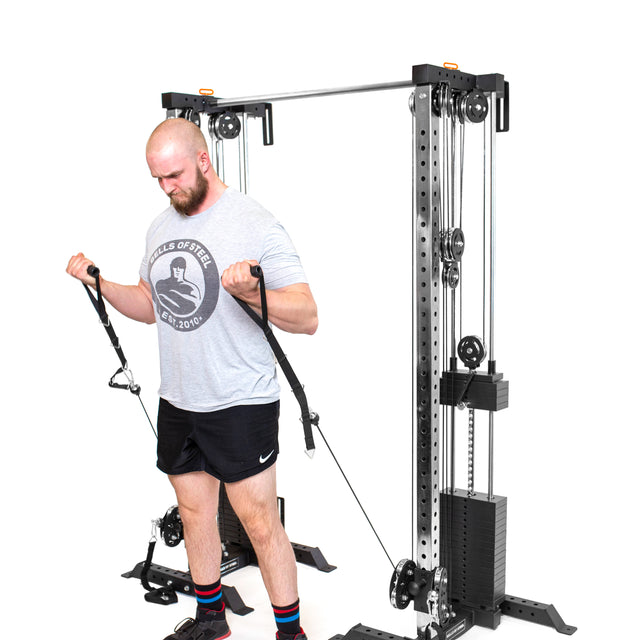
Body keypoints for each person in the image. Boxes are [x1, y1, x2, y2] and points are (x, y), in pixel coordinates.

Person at [66, 117, 317, 640]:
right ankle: (211, 620)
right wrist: (102, 283)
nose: (167, 188)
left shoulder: (255, 223)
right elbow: (151, 304)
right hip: (179, 400)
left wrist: (251, 292)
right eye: (157, 179)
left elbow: (307, 316)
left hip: (240, 402)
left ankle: (290, 633)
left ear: (204, 160)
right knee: (194, 510)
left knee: (260, 524)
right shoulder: (161, 226)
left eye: (174, 175)